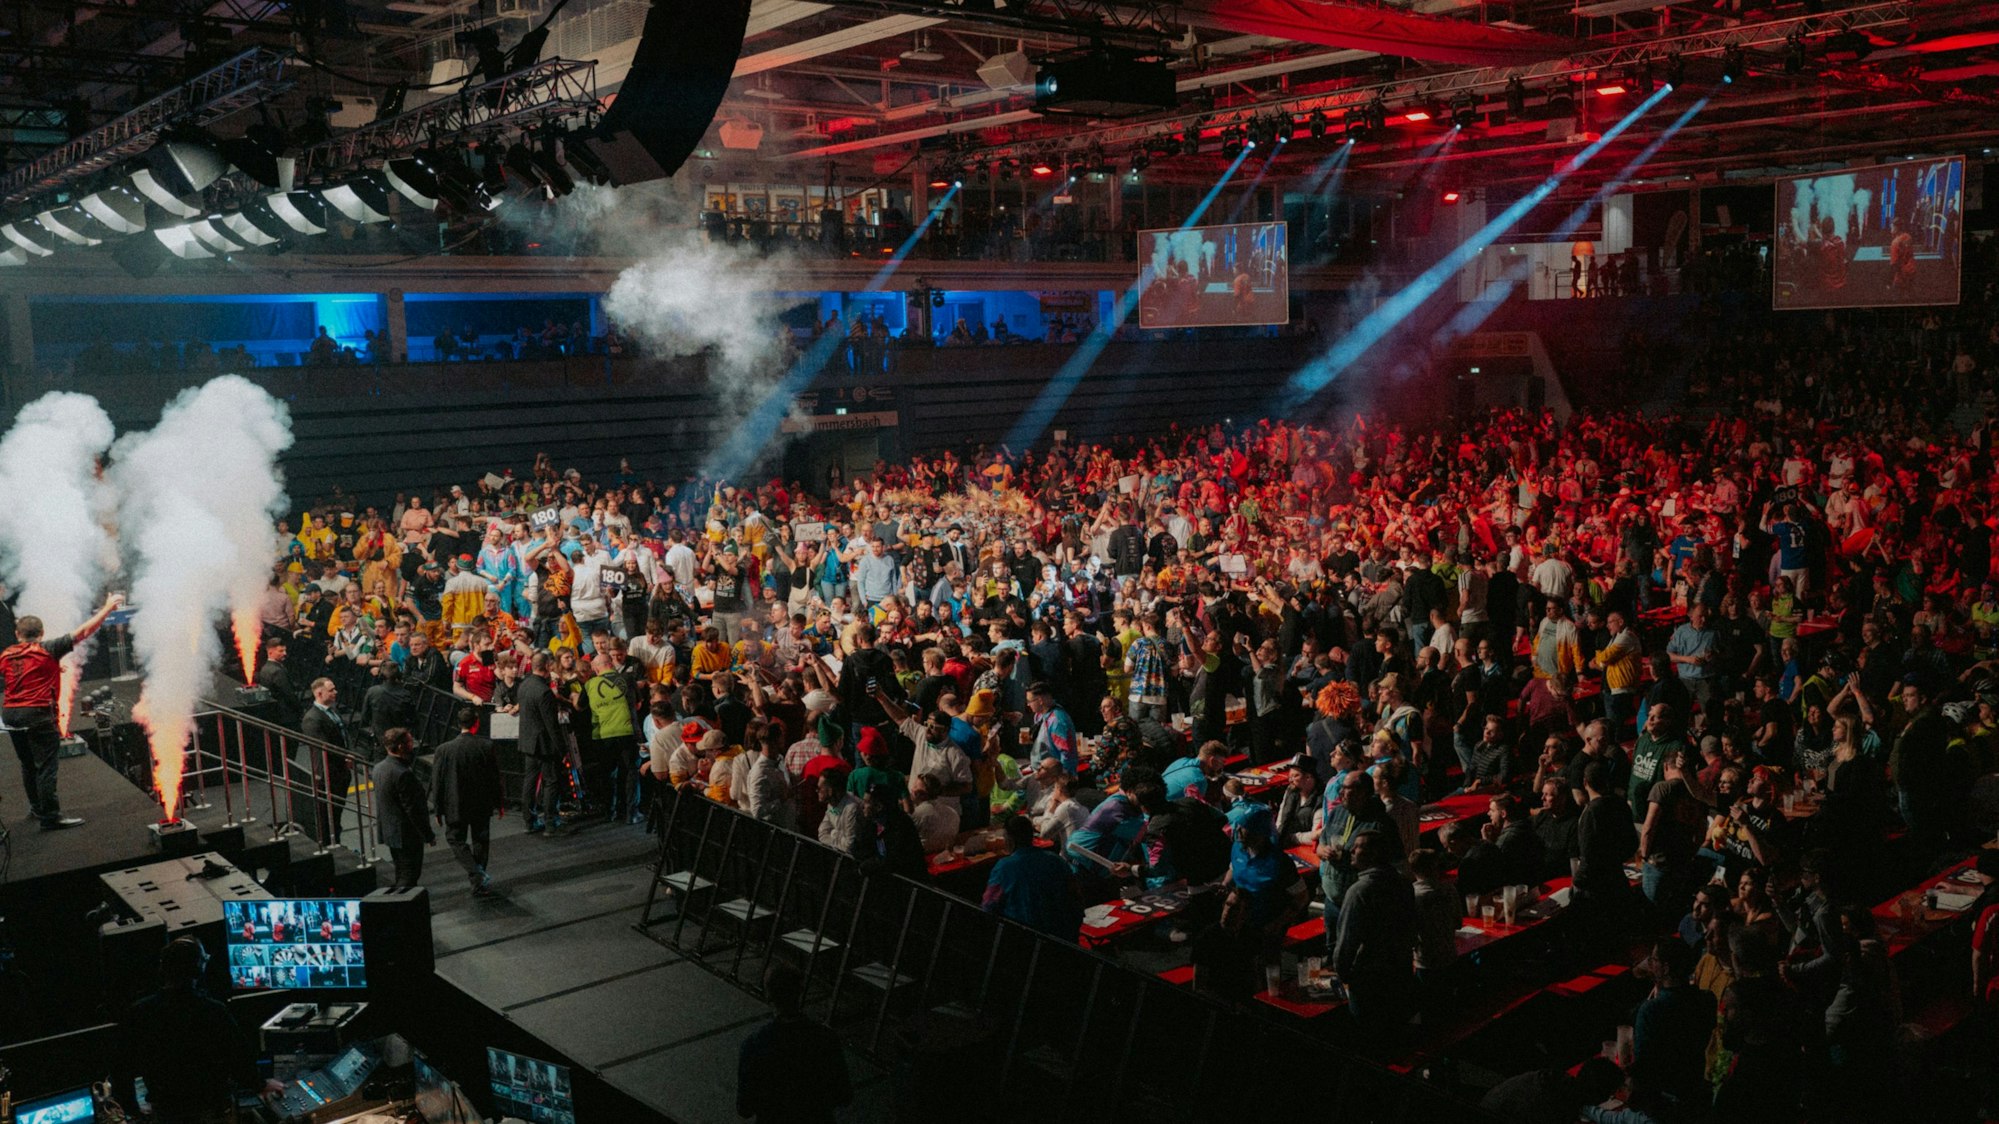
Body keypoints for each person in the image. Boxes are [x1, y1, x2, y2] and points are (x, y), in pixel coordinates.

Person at [114, 937, 285, 1123]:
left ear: (163, 969)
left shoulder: (139, 1013)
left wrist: (133, 1109)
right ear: (199, 969)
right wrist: (261, 1084)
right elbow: (239, 1060)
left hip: (166, 1115)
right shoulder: (213, 1011)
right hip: (213, 1114)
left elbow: (120, 1069)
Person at [2, 591, 121, 829]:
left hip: (10, 716)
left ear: (17, 634)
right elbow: (84, 632)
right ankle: (51, 817)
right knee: (46, 767)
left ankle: (36, 808)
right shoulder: (49, 648)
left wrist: (51, 671)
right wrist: (107, 608)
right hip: (37, 714)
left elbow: (20, 674)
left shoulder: (6, 654)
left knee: (27, 764)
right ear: (42, 633)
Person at [735, 965, 852, 1124]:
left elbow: (745, 1108)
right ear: (799, 992)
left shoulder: (755, 1045)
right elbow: (843, 1095)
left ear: (769, 995)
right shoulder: (825, 1038)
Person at [1333, 830, 1417, 1037]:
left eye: (1358, 846)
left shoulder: (1360, 891)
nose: (1351, 849)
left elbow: (1346, 943)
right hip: (1401, 972)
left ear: (1375, 853)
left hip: (1370, 980)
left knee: (1368, 1037)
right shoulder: (1404, 884)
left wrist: (1344, 975)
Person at [431, 704, 503, 895]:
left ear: (458, 724)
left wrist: (437, 809)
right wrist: (499, 803)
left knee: (455, 839)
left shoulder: (443, 750)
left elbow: (437, 782)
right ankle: (478, 880)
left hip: (455, 804)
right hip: (481, 803)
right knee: (480, 840)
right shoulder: (486, 746)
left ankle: (475, 873)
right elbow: (494, 778)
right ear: (476, 724)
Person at [982, 813, 1084, 942]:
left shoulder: (1004, 867)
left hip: (1023, 937)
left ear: (1009, 839)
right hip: (1062, 934)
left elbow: (989, 905)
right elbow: (1076, 896)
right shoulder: (1056, 860)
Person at [372, 727, 433, 891]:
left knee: (401, 871)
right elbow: (413, 809)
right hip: (406, 834)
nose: (412, 745)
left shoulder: (378, 768)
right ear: (400, 746)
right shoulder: (402, 773)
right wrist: (427, 834)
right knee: (409, 875)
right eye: (409, 742)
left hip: (390, 832)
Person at [299, 676, 355, 847]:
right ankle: (329, 844)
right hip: (328, 772)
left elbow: (344, 734)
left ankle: (335, 841)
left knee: (337, 812)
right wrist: (344, 758)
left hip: (341, 770)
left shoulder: (332, 710)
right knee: (328, 814)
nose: (335, 692)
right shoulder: (312, 718)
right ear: (319, 693)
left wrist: (350, 754)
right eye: (331, 690)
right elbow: (323, 747)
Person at [517, 650, 568, 835]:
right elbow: (552, 726)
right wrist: (563, 750)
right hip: (545, 745)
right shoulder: (544, 692)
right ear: (547, 666)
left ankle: (529, 821)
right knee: (551, 782)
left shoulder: (524, 685)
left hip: (527, 742)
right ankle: (550, 824)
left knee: (529, 782)